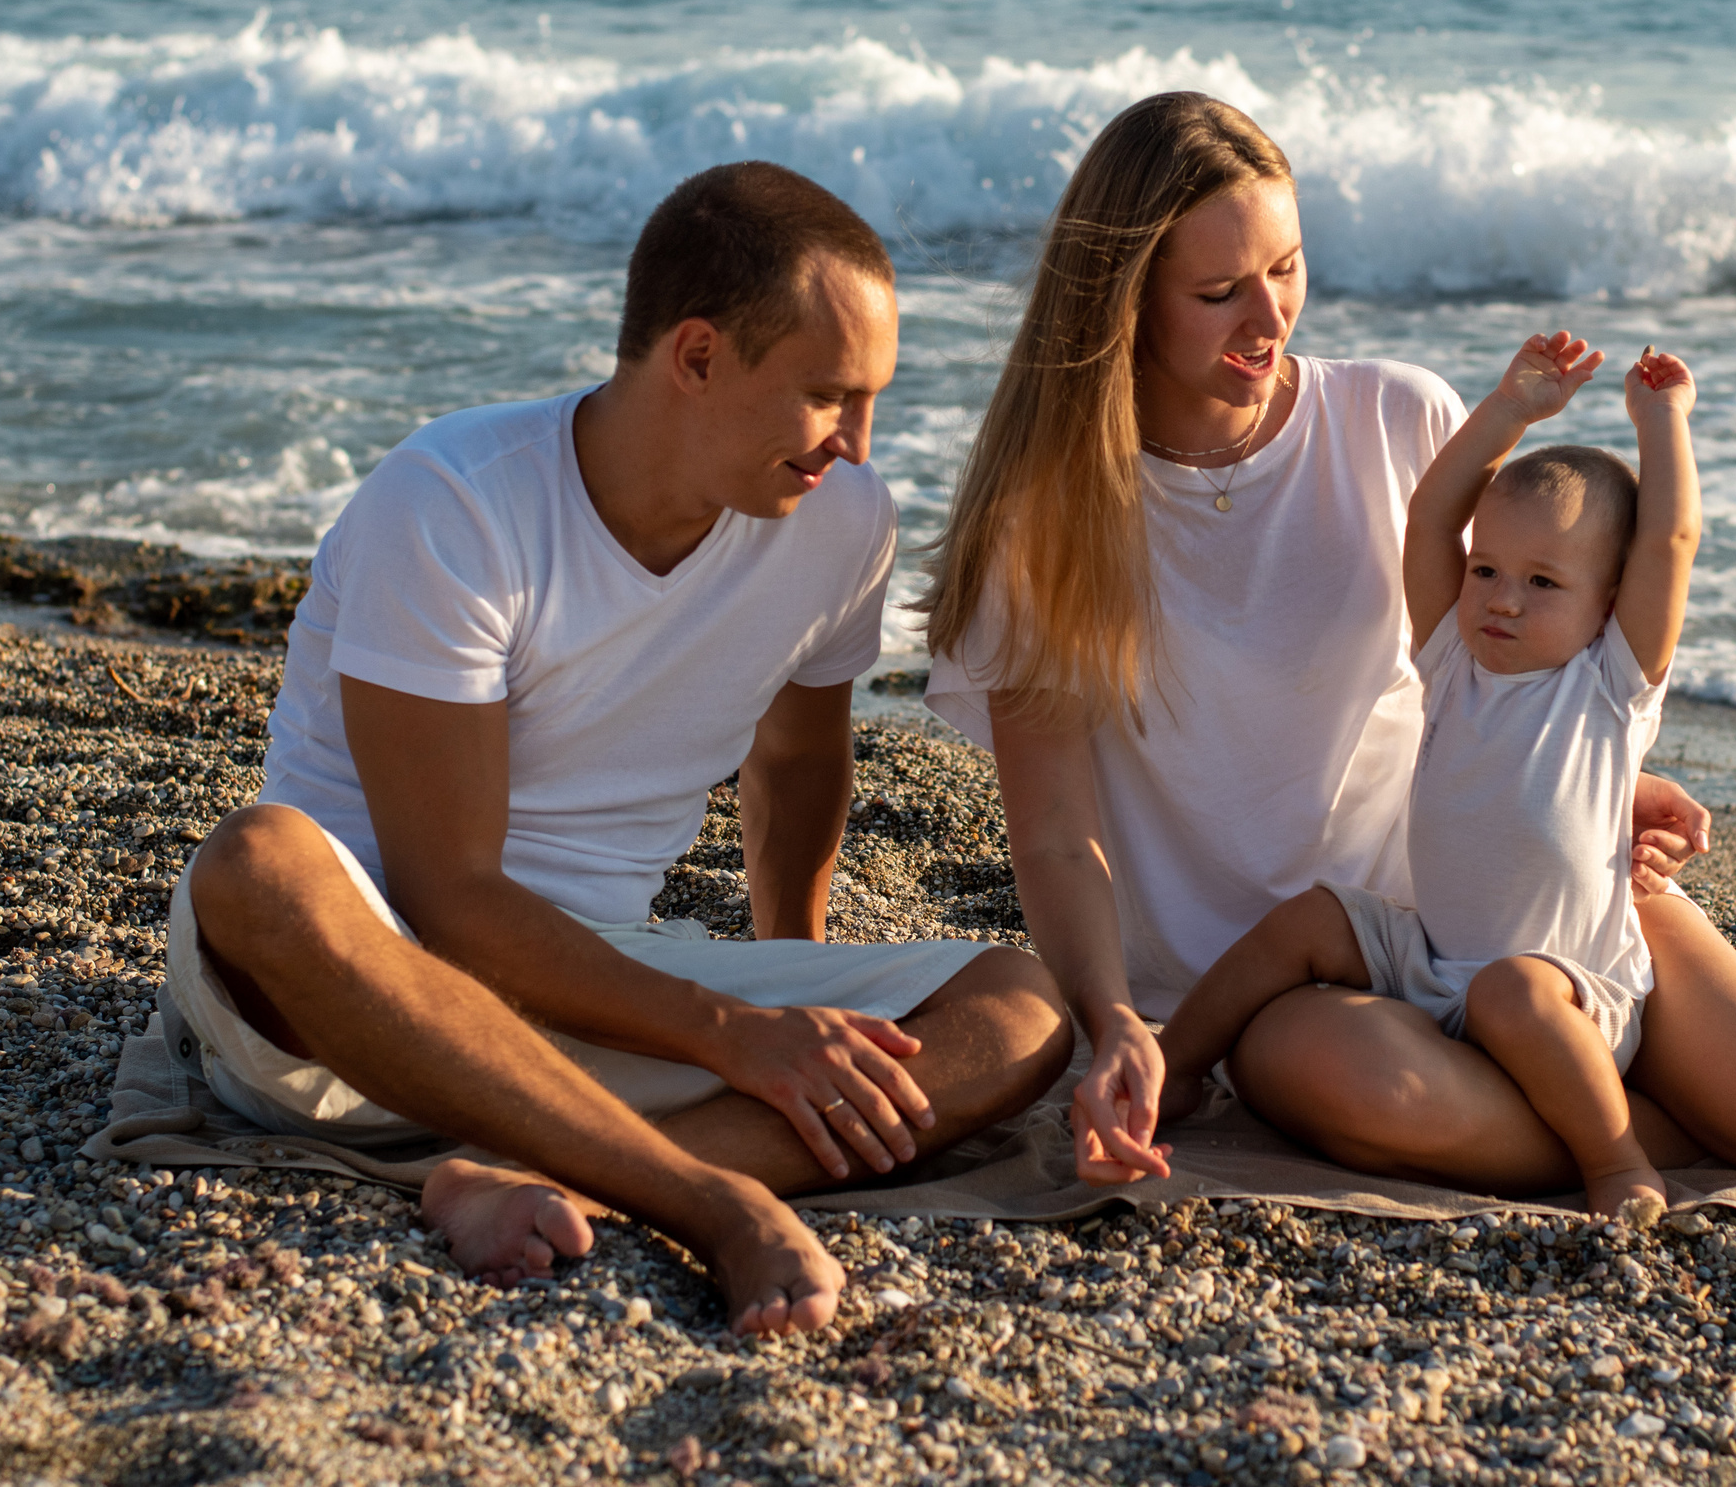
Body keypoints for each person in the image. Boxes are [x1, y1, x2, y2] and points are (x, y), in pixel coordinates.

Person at [919, 90, 1736, 1203]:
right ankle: (1696, 1142)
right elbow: (1054, 834)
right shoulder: (1046, 519)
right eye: (1217, 293)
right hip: (1296, 991)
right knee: (1336, 1080)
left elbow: (1513, 640)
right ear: (1121, 303)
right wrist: (1111, 1025)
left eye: (1287, 271)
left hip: (1532, 907)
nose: (1271, 320)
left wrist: (1600, 783)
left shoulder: (1392, 415)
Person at [168, 162, 1071, 1337]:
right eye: (828, 396)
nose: (856, 443)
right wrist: (734, 1037)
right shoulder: (455, 502)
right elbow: (449, 899)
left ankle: (555, 1174)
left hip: (608, 1002)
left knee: (1021, 1007)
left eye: (873, 401)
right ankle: (711, 1198)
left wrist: (797, 1005)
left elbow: (796, 763)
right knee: (259, 864)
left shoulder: (841, 522)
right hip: (360, 999)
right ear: (695, 357)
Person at [1155, 330, 1699, 1217]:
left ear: (1607, 603)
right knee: (1314, 916)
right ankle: (1171, 1067)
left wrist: (1662, 421)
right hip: (1434, 961)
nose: (1502, 597)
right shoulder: (1452, 658)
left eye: (1543, 582)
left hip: (1564, 991)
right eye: (1487, 570)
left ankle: (1617, 1157)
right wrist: (1511, 409)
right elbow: (1431, 513)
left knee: (1510, 988)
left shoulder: (1609, 686)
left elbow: (1669, 540)